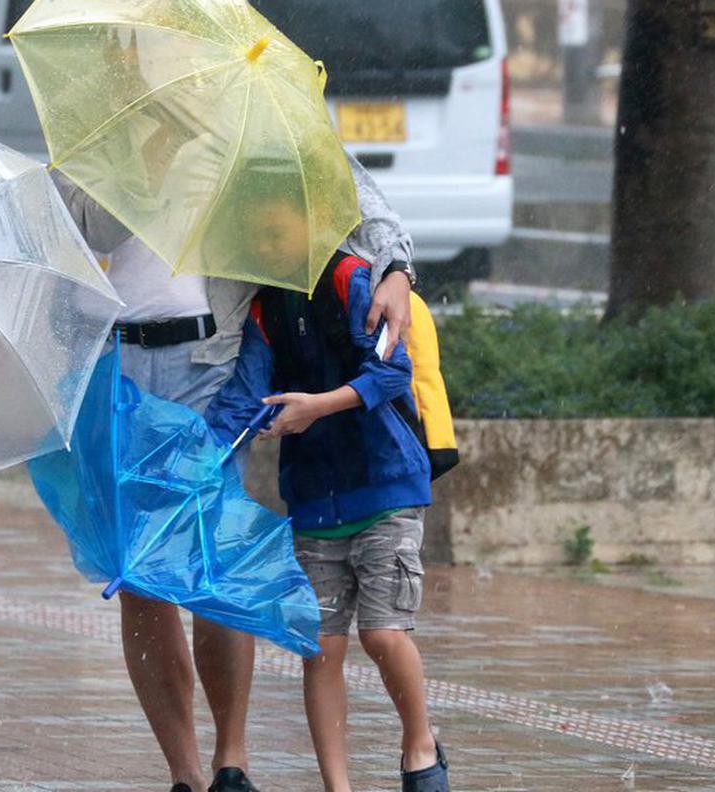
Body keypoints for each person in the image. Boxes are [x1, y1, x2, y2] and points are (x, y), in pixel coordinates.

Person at [54, 154, 416, 792]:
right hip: (114, 365)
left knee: (207, 559)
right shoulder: (99, 138)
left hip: (212, 361)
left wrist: (398, 268)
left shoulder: (243, 113)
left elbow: (347, 188)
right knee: (137, 574)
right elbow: (80, 231)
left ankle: (232, 760)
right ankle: (184, 772)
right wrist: (143, 159)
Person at [204, 183, 447, 792]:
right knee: (321, 648)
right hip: (314, 498)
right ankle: (337, 786)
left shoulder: (351, 278)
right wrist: (202, 457)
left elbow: (392, 372)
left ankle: (419, 744)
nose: (267, 242)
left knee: (383, 633)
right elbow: (246, 397)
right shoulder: (265, 309)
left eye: (276, 225)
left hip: (385, 483)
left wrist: (317, 406)